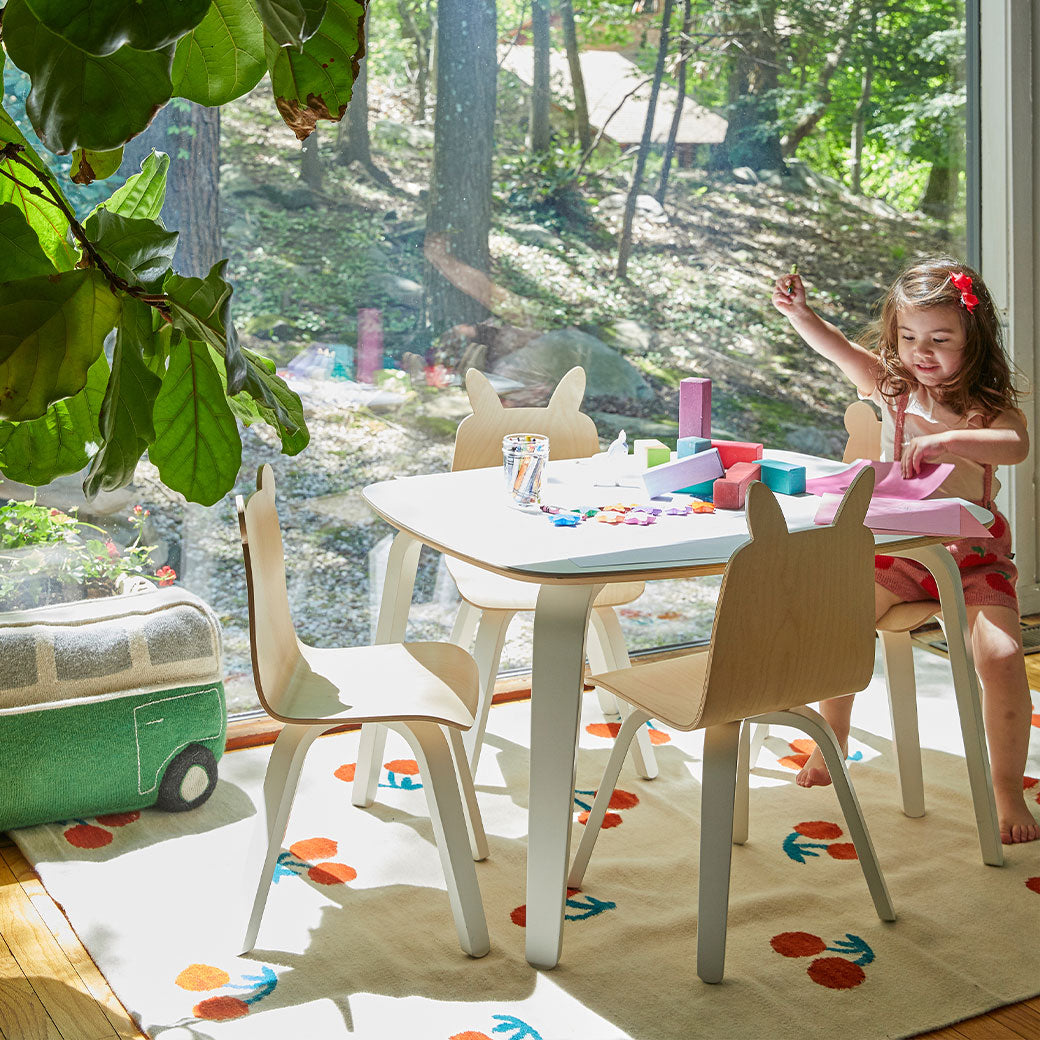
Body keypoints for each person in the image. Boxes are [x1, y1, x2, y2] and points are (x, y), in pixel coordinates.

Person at [772, 257, 1038, 844]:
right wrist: (800, 314)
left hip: (974, 559)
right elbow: (839, 350)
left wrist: (948, 440)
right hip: (898, 556)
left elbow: (1015, 444)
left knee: (999, 658)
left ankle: (1006, 789)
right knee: (840, 625)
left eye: (941, 340)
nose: (923, 351)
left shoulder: (987, 407)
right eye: (909, 337)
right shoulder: (895, 392)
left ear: (974, 341)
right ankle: (834, 733)